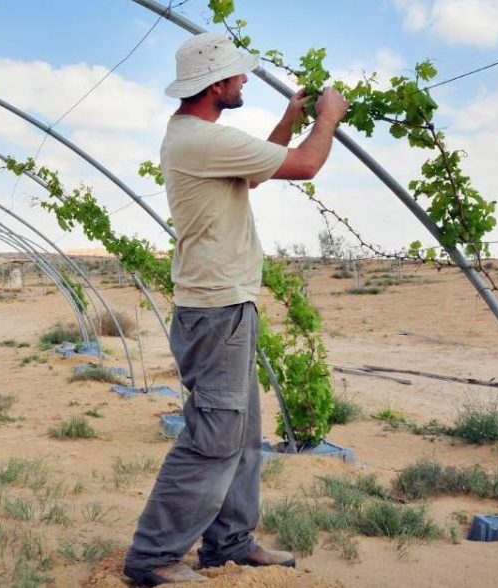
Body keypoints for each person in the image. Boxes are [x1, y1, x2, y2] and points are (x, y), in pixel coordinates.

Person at [122, 33, 350, 586]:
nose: (245, 80)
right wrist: (329, 117)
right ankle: (153, 557)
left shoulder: (200, 139)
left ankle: (229, 542)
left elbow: (255, 170)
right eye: (238, 75)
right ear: (215, 84)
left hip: (224, 308)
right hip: (217, 310)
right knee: (215, 436)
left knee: (241, 433)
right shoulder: (201, 140)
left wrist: (290, 118)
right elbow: (305, 166)